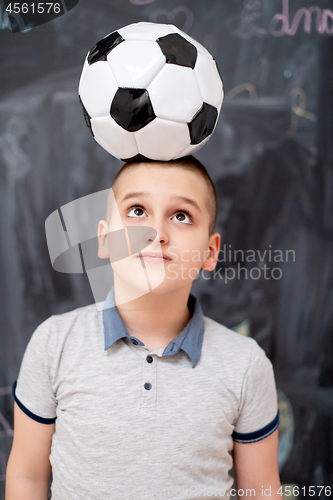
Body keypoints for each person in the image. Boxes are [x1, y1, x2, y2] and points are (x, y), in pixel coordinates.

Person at [6, 156, 281, 500]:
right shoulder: (54, 343)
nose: (157, 233)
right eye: (137, 211)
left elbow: (262, 492)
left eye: (181, 216)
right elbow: (27, 477)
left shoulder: (245, 364)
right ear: (104, 240)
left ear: (210, 252)